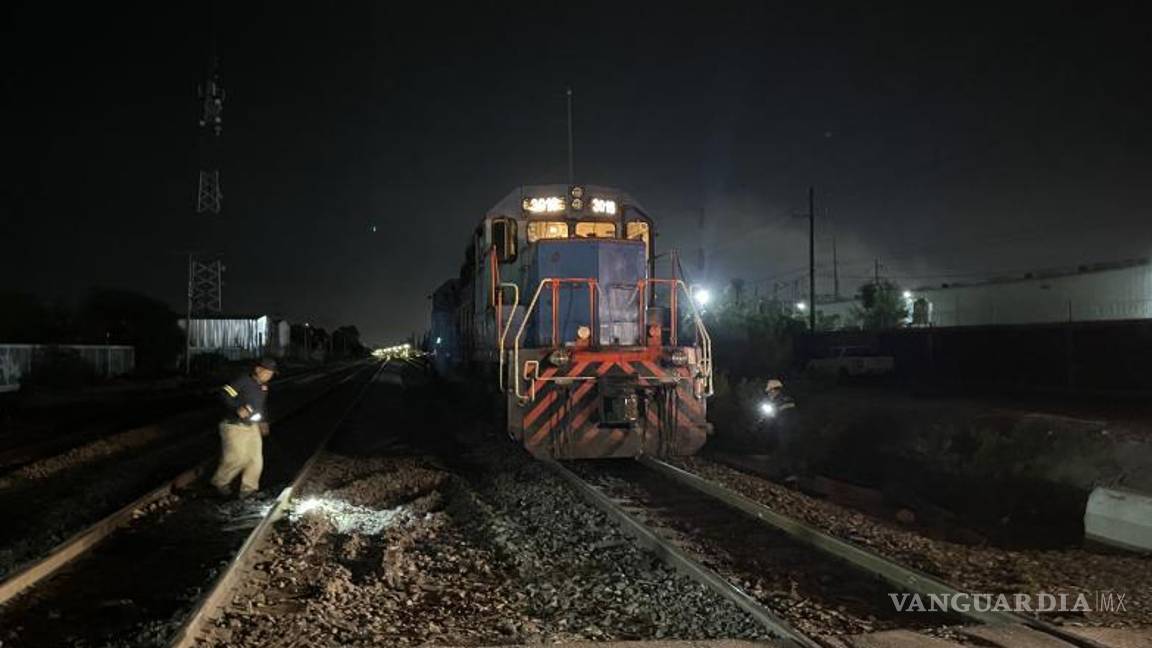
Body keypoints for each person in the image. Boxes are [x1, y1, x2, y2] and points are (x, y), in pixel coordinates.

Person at [211, 357, 276, 498]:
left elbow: (261, 405)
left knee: (255, 459)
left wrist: (263, 421)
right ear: (258, 369)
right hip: (234, 425)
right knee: (238, 458)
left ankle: (249, 490)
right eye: (267, 372)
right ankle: (220, 482)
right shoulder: (243, 381)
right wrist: (237, 408)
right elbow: (225, 393)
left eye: (271, 374)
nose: (269, 376)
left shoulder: (263, 387)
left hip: (252, 426)